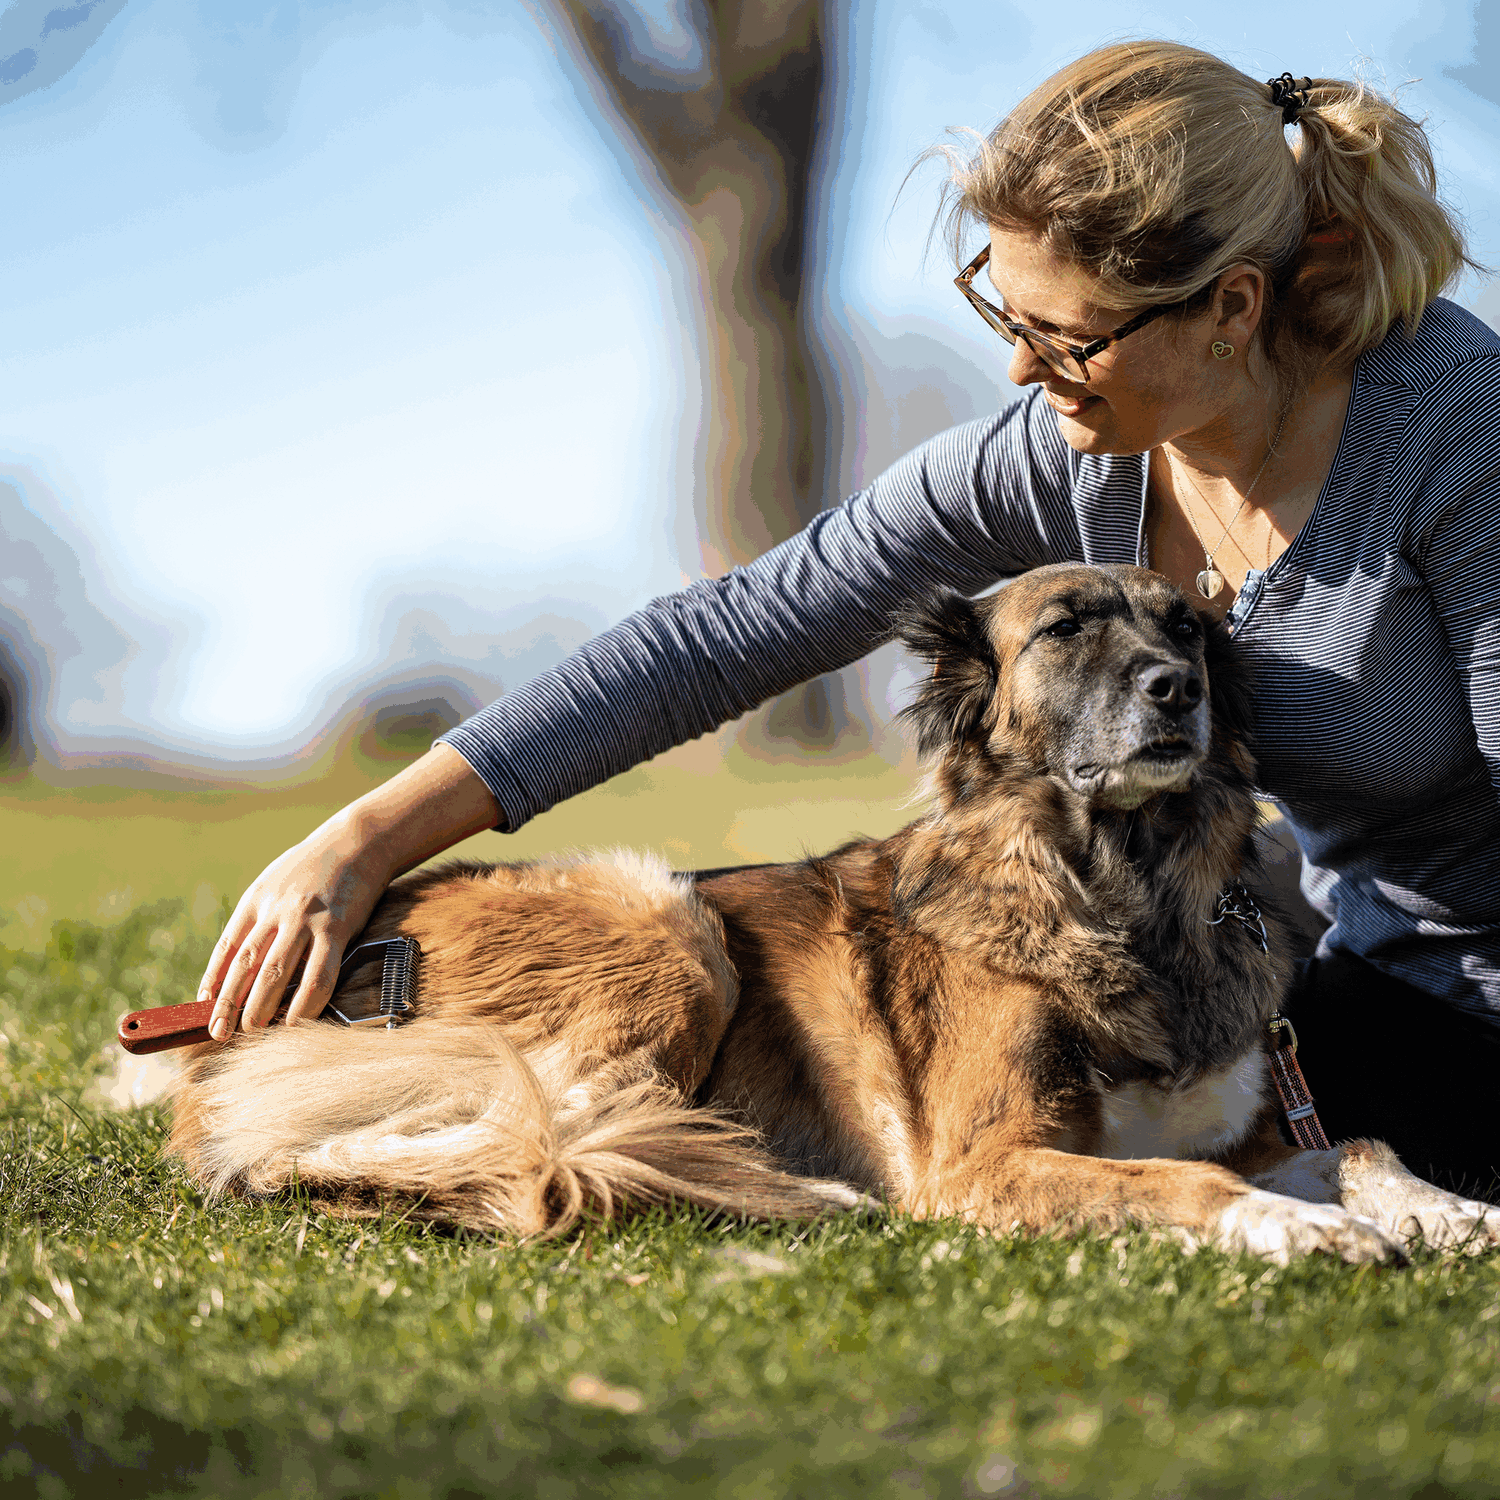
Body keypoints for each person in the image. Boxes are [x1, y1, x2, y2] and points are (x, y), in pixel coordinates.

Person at [196, 41, 1500, 1188]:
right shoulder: (1065, 452)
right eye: (1003, 306)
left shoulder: (1456, 429)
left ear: (1232, 308)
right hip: (1339, 972)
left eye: (1072, 336)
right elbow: (731, 633)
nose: (1020, 366)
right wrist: (365, 838)